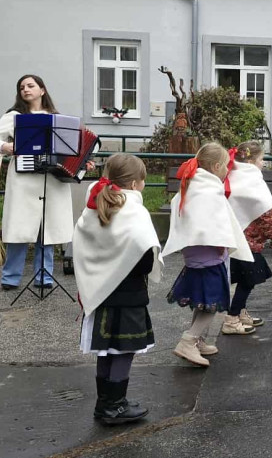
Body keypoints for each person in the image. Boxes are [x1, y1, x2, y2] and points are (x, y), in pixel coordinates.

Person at [72, 154, 163, 425]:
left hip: (100, 292)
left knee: (106, 350)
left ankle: (105, 403)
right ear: (136, 184)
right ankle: (116, 406)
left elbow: (82, 243)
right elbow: (146, 259)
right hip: (128, 295)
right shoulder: (134, 210)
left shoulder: (95, 204)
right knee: (124, 350)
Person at [163, 142, 253, 368]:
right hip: (209, 257)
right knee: (212, 303)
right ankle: (189, 340)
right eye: (225, 166)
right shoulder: (209, 190)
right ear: (215, 166)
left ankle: (198, 340)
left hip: (195, 255)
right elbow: (216, 223)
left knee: (201, 302)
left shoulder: (193, 185)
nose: (227, 171)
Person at [0, 75, 73, 290]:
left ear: (42, 90)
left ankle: (45, 277)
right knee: (19, 227)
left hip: (52, 179)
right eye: (21, 87)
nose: (25, 89)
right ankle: (10, 278)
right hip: (23, 180)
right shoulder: (14, 116)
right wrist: (4, 147)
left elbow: (70, 149)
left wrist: (80, 163)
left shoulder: (58, 119)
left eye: (30, 85)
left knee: (48, 228)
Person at [222, 140, 272, 335]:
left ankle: (240, 311)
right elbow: (267, 210)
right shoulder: (253, 178)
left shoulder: (232, 175)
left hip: (232, 236)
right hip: (251, 240)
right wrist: (267, 234)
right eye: (262, 159)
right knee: (249, 279)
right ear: (253, 160)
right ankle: (232, 317)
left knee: (240, 276)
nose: (263, 163)